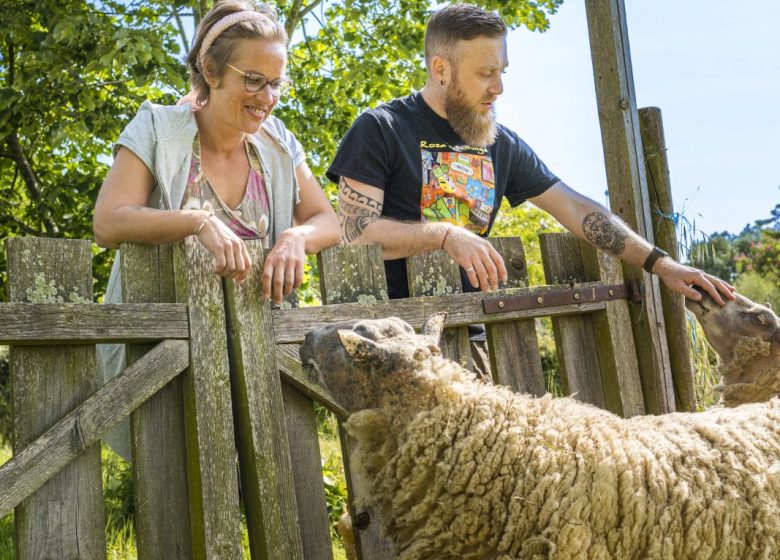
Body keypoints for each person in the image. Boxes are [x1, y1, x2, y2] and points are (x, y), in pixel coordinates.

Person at [327, 3, 734, 308]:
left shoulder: (501, 143)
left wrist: (661, 264)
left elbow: (575, 208)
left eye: (503, 71)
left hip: (474, 336)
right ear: (441, 69)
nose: (499, 87)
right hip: (391, 338)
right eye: (485, 73)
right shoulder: (380, 128)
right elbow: (355, 233)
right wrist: (445, 234)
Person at [93, 0, 340, 459]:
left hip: (262, 357)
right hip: (164, 361)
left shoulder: (280, 142)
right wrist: (196, 220)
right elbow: (107, 222)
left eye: (276, 84)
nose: (267, 98)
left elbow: (329, 221)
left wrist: (294, 238)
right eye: (253, 80)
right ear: (210, 69)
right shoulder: (157, 126)